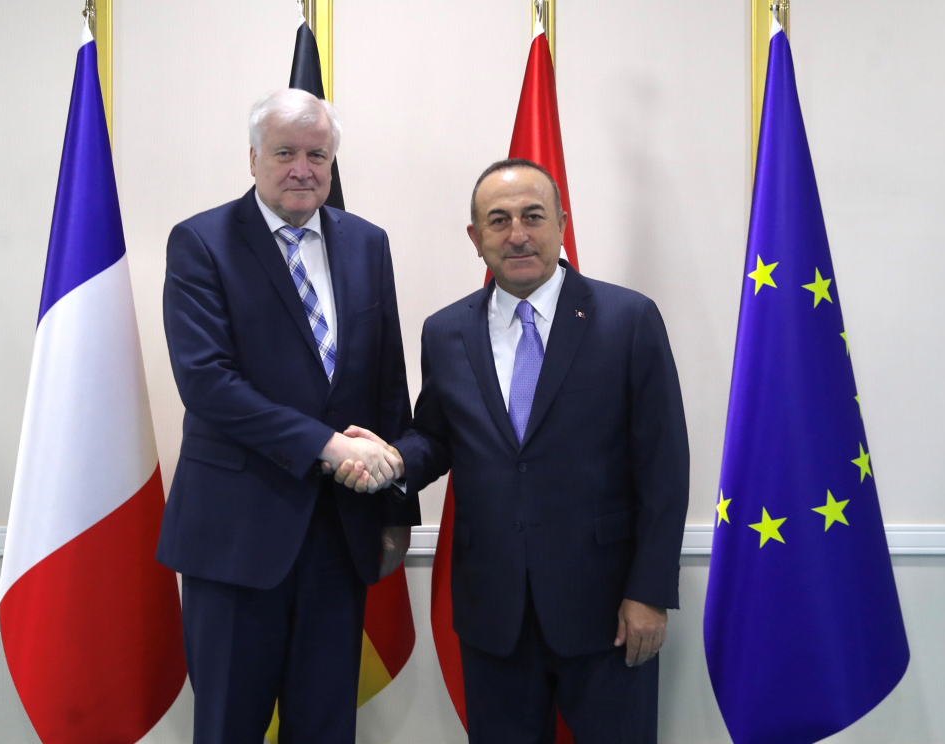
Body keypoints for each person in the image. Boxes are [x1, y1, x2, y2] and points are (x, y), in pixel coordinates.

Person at [339, 159, 689, 743]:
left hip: (607, 609)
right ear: (476, 239)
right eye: (498, 221)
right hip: (493, 611)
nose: (517, 234)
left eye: (533, 216)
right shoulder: (446, 331)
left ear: (561, 224)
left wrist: (649, 592)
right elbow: (438, 436)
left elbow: (664, 467)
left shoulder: (628, 319)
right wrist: (395, 459)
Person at [156, 88, 416, 744]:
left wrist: (393, 511)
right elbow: (209, 384)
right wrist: (328, 446)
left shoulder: (367, 243)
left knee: (326, 727)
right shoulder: (201, 242)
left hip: (341, 537)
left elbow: (386, 381)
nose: (303, 168)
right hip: (236, 538)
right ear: (252, 159)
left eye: (317, 155)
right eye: (285, 153)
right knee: (228, 727)